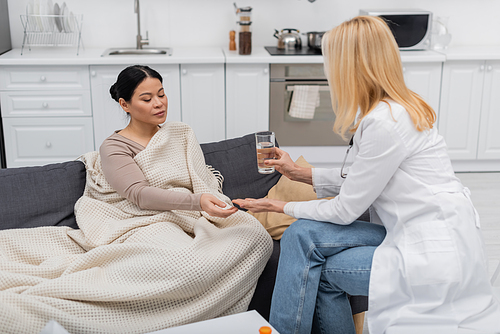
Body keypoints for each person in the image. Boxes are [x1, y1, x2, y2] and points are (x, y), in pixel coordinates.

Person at [233, 16, 500, 334]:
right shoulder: (399, 108)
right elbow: (364, 177)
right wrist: (299, 173)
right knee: (301, 235)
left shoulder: (385, 123)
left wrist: (279, 206)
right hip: (415, 227)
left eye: (331, 61)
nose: (328, 70)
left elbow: (345, 210)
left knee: (315, 259)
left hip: (430, 250)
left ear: (350, 67)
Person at [100, 65, 237, 218]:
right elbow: (139, 194)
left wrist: (203, 201)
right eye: (147, 99)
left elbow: (200, 180)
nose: (159, 103)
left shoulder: (179, 132)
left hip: (196, 211)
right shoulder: (114, 147)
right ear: (125, 104)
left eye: (161, 94)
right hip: (150, 217)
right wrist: (197, 202)